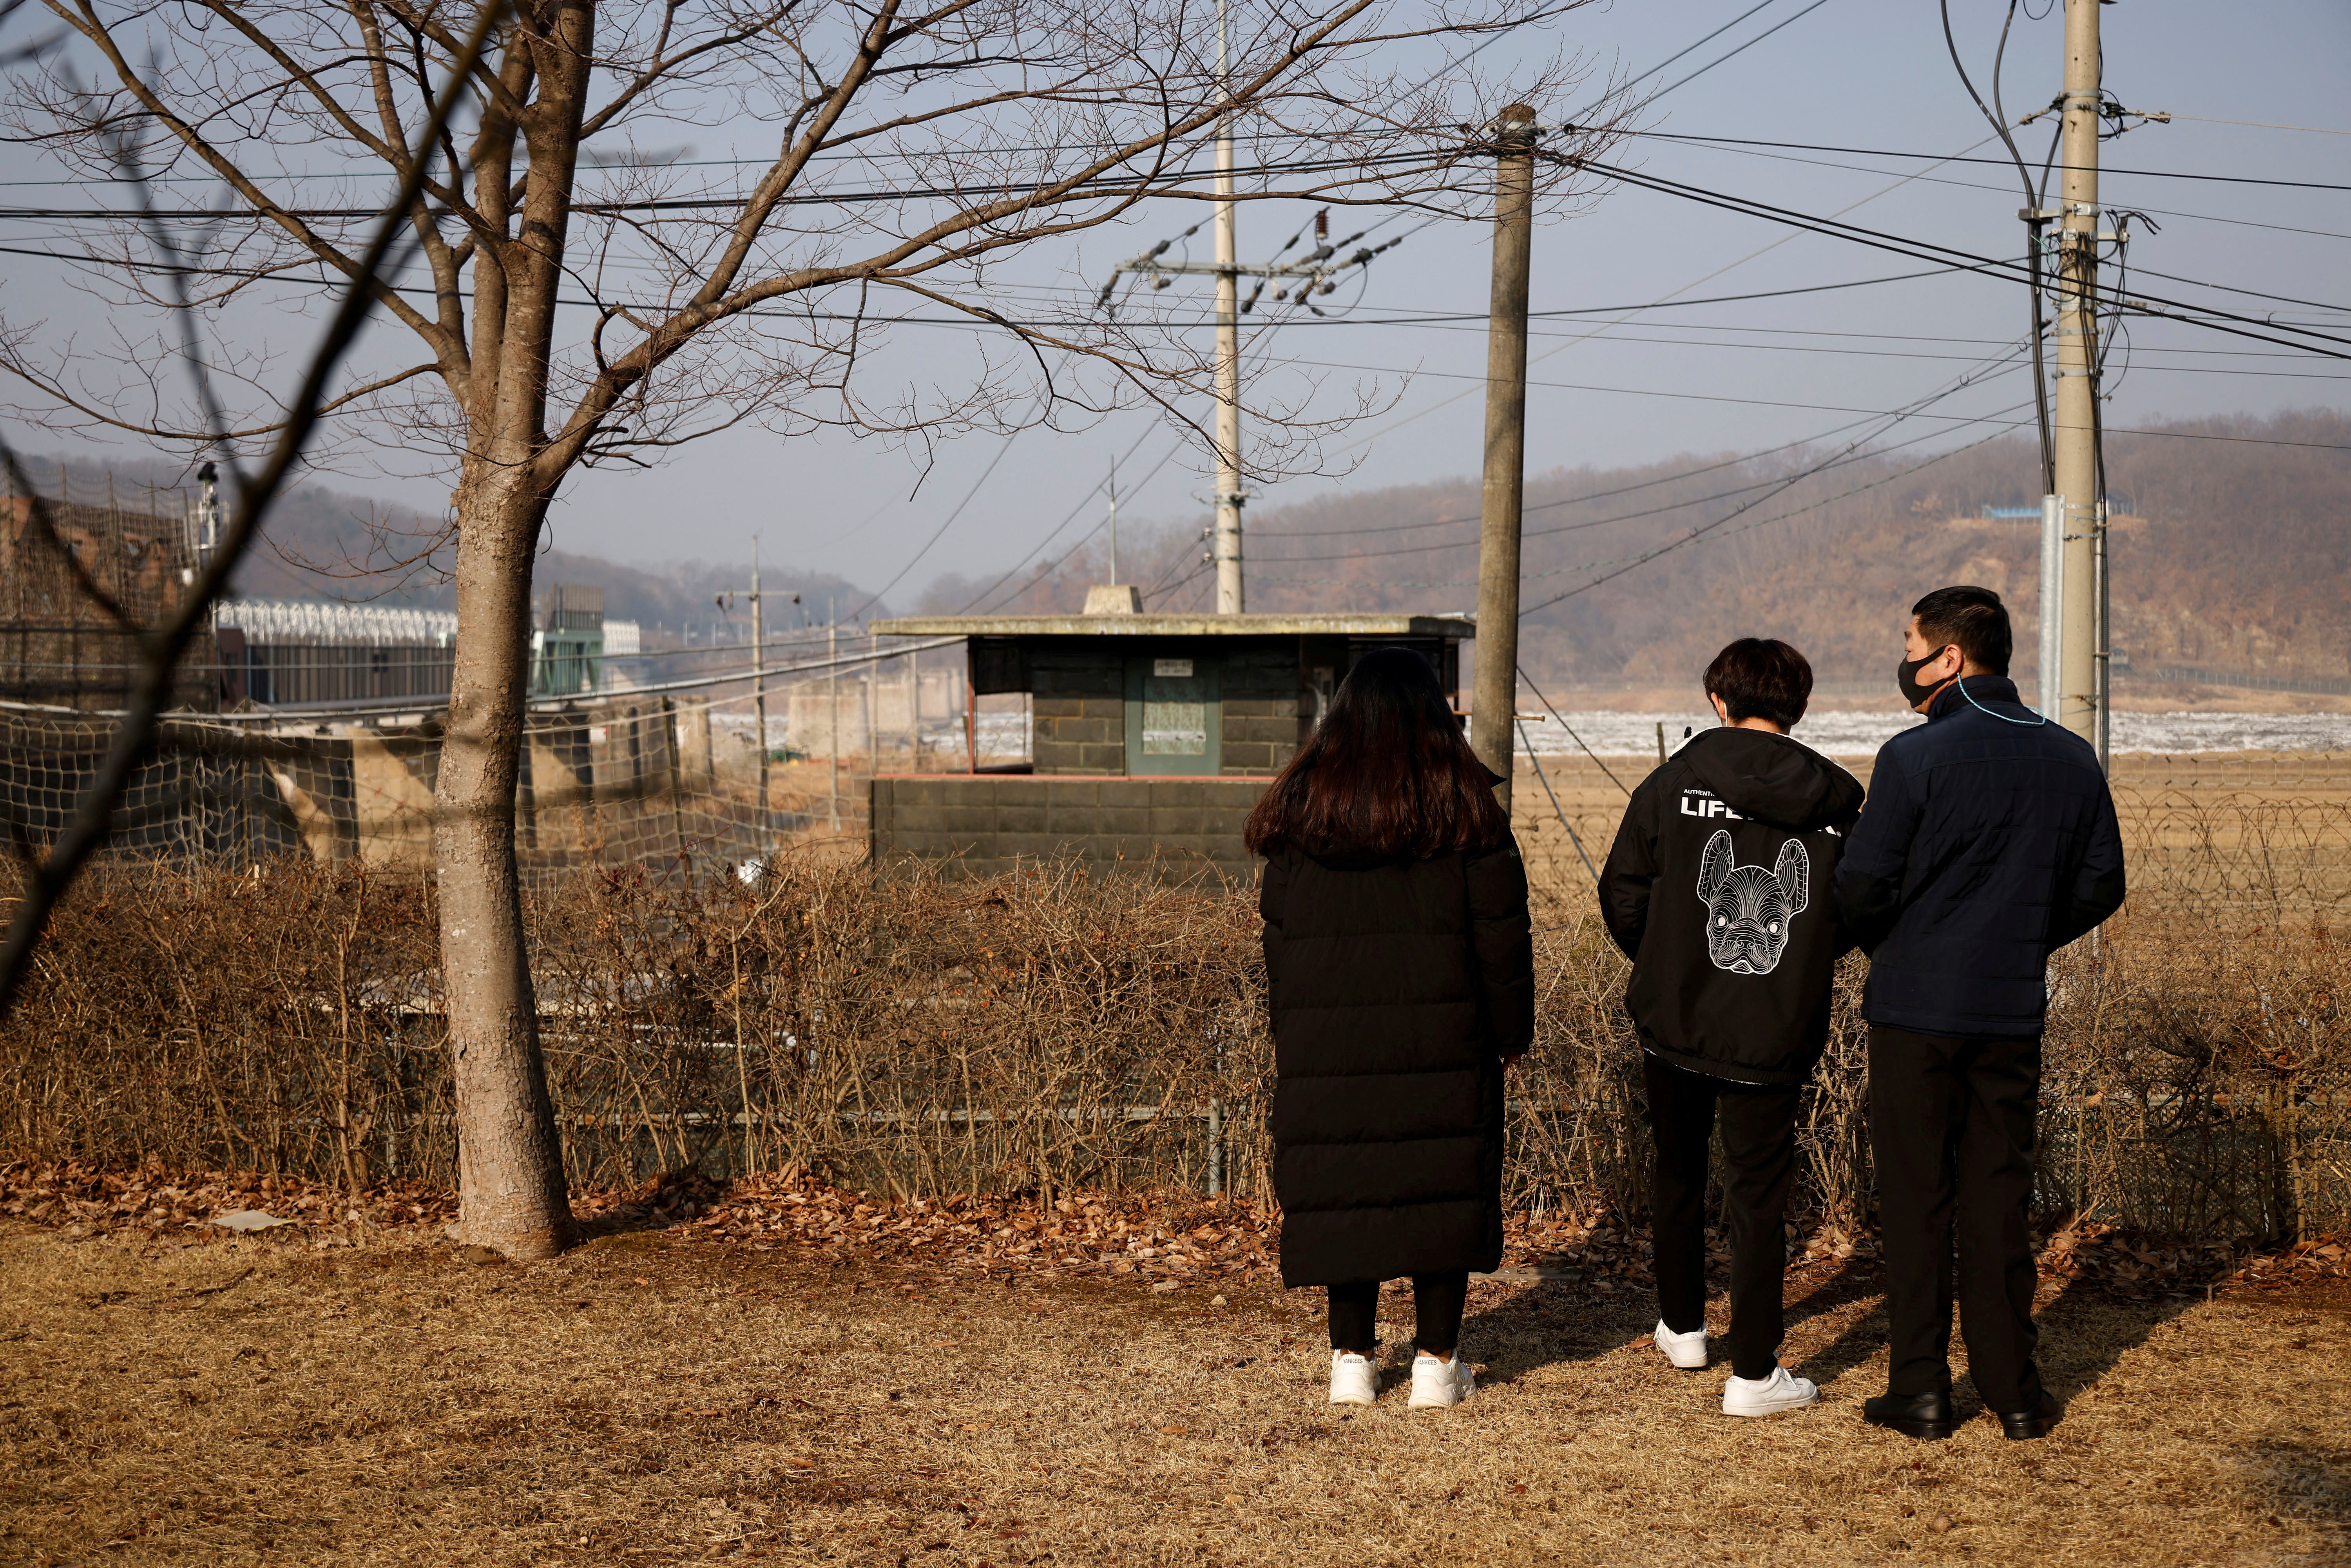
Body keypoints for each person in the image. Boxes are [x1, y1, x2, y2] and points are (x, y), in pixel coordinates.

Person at [1836, 586, 2125, 1443]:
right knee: (1999, 1200)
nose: (1906, 657)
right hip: (2009, 1008)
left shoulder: (1913, 757)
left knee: (1917, 1199)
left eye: (1911, 642)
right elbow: (2102, 884)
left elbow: (1860, 884)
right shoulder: (2072, 758)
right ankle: (2016, 1393)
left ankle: (1920, 1391)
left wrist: (1889, 943)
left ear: (1949, 658)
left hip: (1915, 1010)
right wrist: (2024, 935)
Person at [1246, 646, 1534, 1411]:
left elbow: (1279, 946)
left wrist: (1294, 1036)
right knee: (1440, 1186)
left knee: (1350, 1189)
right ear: (1436, 719)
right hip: (1447, 1042)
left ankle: (1351, 1362)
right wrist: (1511, 1034)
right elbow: (1503, 941)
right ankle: (1438, 1366)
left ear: (1341, 716)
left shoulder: (1300, 815)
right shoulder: (1469, 811)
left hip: (1327, 1049)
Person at [1600, 637, 1864, 1418]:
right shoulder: (1840, 803)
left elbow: (1623, 892)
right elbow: (1857, 906)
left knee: (1677, 1171)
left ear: (1719, 702)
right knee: (1759, 1195)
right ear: (1800, 708)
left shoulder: (1673, 783)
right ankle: (1754, 1372)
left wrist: (1666, 958)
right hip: (1775, 1026)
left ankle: (1682, 1325)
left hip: (1675, 1016)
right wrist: (1799, 961)